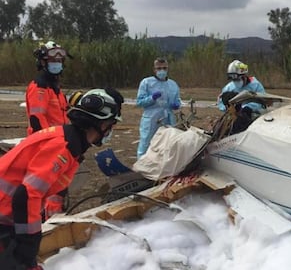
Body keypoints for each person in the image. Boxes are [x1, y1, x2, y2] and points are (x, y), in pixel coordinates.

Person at [0, 87, 124, 270]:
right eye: (110, 125)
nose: (109, 131)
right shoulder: (63, 148)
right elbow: (26, 195)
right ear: (101, 125)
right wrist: (29, 241)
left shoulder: (68, 142)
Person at [25, 41, 72, 222]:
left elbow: (62, 115)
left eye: (59, 61)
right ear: (43, 62)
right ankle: (49, 221)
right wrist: (49, 145)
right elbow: (37, 120)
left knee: (60, 186)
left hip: (60, 142)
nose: (57, 64)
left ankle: (55, 216)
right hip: (46, 144)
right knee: (49, 186)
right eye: (53, 61)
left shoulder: (55, 87)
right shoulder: (40, 87)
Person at [136, 58, 181, 158]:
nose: (162, 71)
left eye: (164, 68)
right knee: (147, 142)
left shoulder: (173, 85)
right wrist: (152, 98)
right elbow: (139, 102)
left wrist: (176, 104)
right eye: (159, 68)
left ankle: (162, 165)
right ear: (154, 69)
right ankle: (142, 163)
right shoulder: (146, 83)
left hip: (168, 118)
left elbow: (177, 99)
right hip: (151, 118)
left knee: (168, 142)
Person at [217, 60, 266, 134]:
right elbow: (221, 103)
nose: (236, 81)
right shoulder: (228, 88)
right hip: (233, 117)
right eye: (233, 79)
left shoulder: (256, 85)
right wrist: (227, 107)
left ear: (244, 76)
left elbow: (263, 101)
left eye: (237, 79)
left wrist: (248, 107)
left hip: (253, 116)